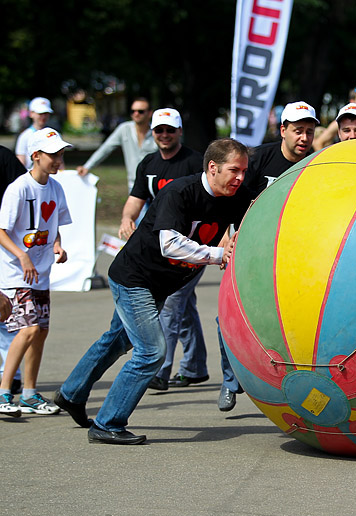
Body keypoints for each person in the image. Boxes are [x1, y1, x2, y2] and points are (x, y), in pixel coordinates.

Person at [54, 139, 251, 444]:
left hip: (161, 284)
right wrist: (216, 254)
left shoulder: (234, 197)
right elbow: (168, 243)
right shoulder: (179, 192)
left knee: (117, 341)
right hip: (134, 278)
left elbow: (242, 229)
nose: (239, 177)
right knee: (151, 352)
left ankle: (71, 394)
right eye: (233, 170)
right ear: (212, 168)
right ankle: (107, 423)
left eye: (244, 171)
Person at [218, 102, 318, 412]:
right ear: (283, 130)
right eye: (298, 130)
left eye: (310, 132)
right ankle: (229, 380)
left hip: (295, 253)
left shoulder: (318, 163)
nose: (304, 137)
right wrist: (225, 237)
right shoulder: (259, 158)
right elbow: (229, 196)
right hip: (251, 246)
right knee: (229, 315)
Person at [118, 108, 206, 391]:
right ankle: (194, 367)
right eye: (159, 130)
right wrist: (127, 218)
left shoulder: (194, 162)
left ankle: (161, 370)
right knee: (184, 306)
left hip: (189, 245)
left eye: (170, 130)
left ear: (180, 131)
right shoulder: (148, 163)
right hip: (159, 246)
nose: (164, 135)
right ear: (153, 133)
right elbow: (136, 198)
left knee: (170, 304)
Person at [0, 128, 72, 417]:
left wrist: (57, 247)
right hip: (17, 274)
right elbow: (2, 231)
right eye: (53, 154)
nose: (58, 159)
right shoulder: (19, 188)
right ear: (36, 155)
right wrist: (22, 257)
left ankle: (29, 393)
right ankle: (5, 390)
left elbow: (53, 226)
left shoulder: (55, 188)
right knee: (27, 329)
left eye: (60, 154)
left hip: (41, 272)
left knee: (41, 331)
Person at [77, 97, 157, 192]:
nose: (136, 114)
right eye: (133, 111)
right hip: (134, 185)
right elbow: (105, 148)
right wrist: (87, 166)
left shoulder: (158, 132)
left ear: (150, 113)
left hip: (155, 184)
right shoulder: (124, 129)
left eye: (141, 111)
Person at [0, 146, 26, 395]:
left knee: (5, 310)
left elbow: (23, 193)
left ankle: (11, 373)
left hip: (4, 241)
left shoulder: (4, 158)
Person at [15, 97, 56, 170]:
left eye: (46, 113)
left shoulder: (54, 134)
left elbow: (60, 159)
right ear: (31, 114)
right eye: (40, 113)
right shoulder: (24, 136)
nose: (43, 116)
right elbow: (21, 160)